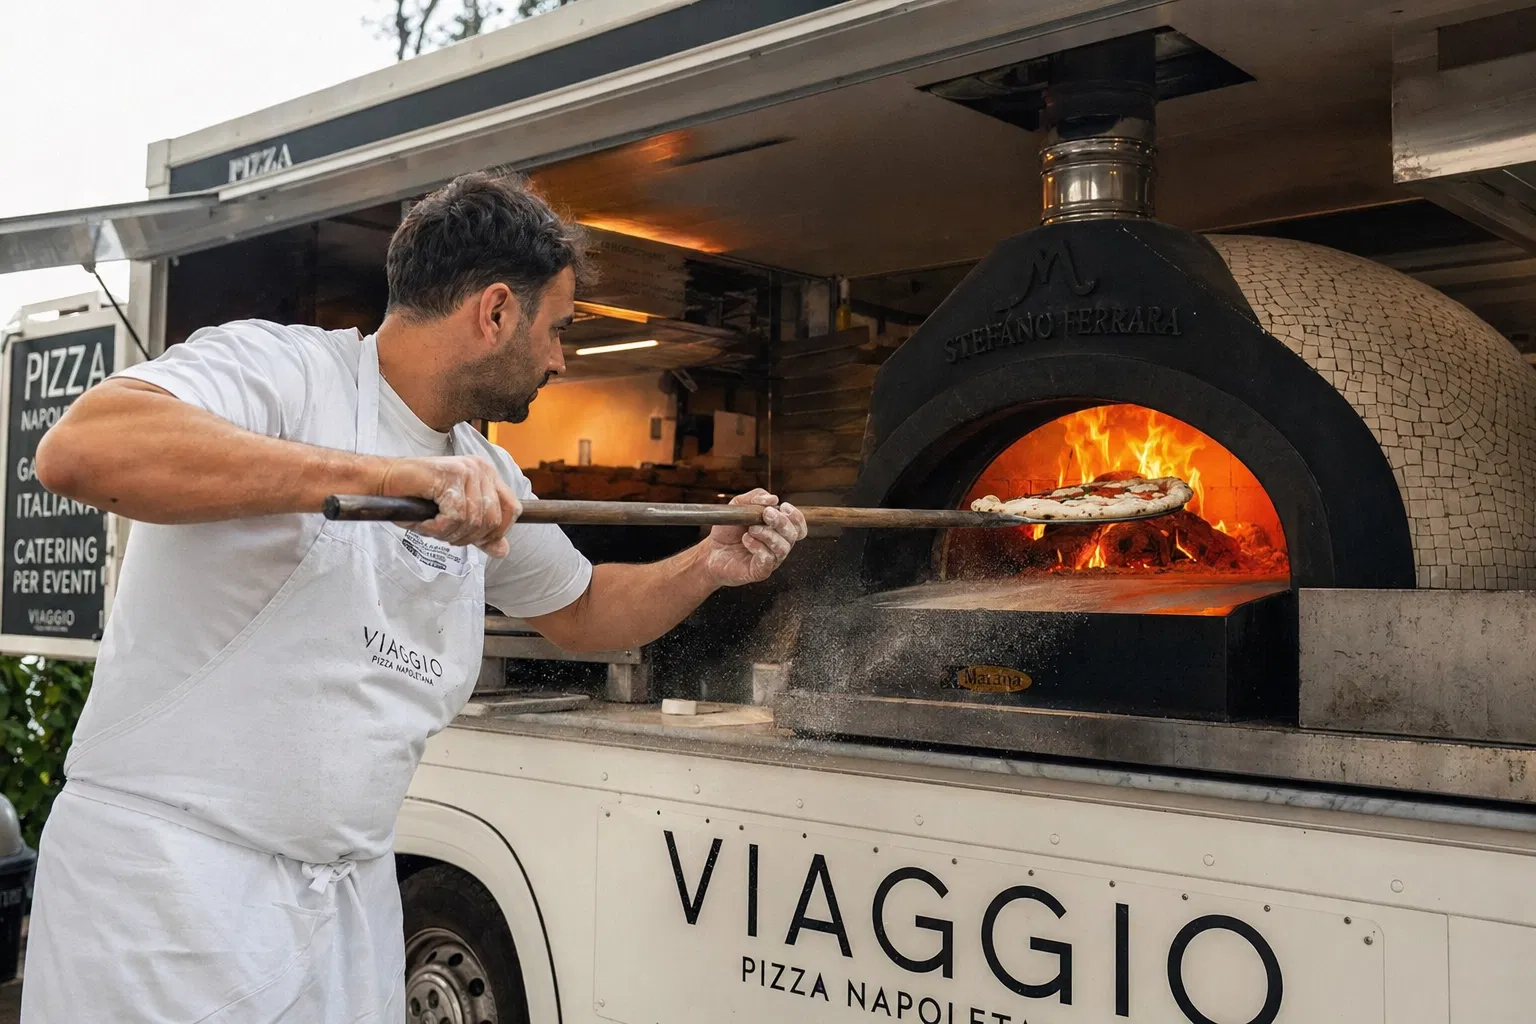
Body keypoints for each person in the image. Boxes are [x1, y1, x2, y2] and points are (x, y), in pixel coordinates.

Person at [21, 171, 807, 1021]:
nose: (558, 358)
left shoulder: (488, 470)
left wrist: (707, 564)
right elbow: (83, 448)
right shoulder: (284, 371)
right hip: (170, 894)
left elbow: (583, 611)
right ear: (497, 311)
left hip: (345, 900)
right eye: (557, 329)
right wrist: (388, 476)